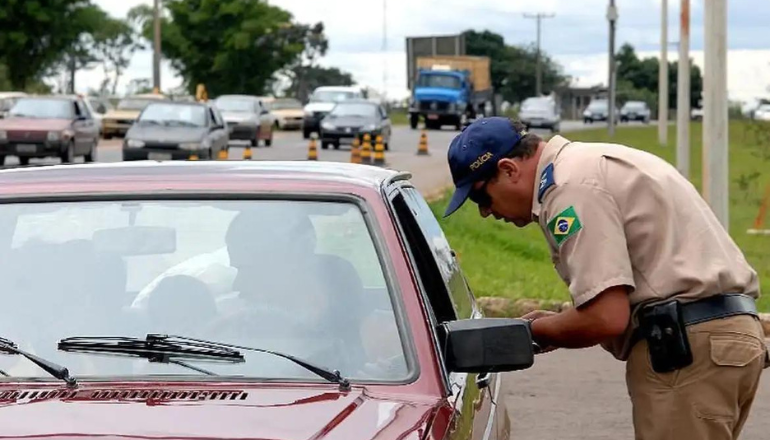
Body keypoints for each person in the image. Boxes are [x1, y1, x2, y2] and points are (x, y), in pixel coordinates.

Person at [443, 116, 767, 440]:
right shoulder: (590, 162)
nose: (485, 212)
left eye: (480, 197)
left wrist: (531, 332)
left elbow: (606, 317)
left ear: (509, 169)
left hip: (685, 350)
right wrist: (559, 323)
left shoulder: (570, 188)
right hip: (722, 340)